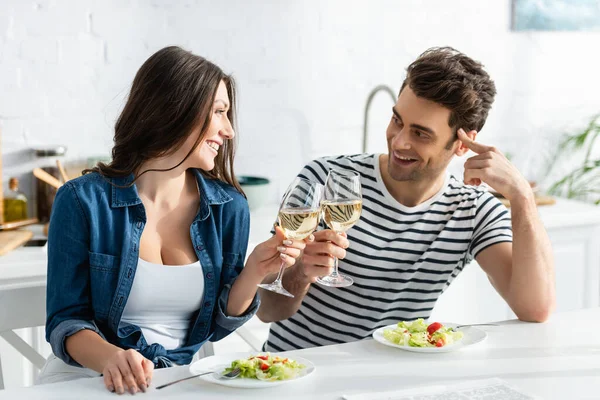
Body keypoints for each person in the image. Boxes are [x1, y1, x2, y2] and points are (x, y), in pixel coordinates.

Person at [41, 46, 305, 394]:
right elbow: (65, 319)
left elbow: (218, 325)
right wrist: (111, 357)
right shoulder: (82, 201)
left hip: (177, 383)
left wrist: (254, 271)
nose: (229, 131)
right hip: (86, 380)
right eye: (220, 112)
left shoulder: (229, 207)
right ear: (176, 110)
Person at [257, 47, 555, 352]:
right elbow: (266, 309)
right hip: (295, 374)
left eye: (421, 134)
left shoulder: (473, 211)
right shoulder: (327, 179)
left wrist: (522, 196)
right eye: (397, 120)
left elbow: (535, 309)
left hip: (393, 382)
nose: (400, 141)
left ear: (463, 144)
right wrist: (301, 273)